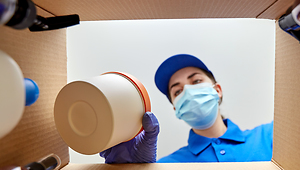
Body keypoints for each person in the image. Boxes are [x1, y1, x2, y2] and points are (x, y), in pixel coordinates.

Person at [100, 54, 273, 163]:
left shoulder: (270, 136)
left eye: (196, 81)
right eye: (178, 91)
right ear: (176, 108)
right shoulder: (168, 167)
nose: (189, 92)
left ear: (217, 90)